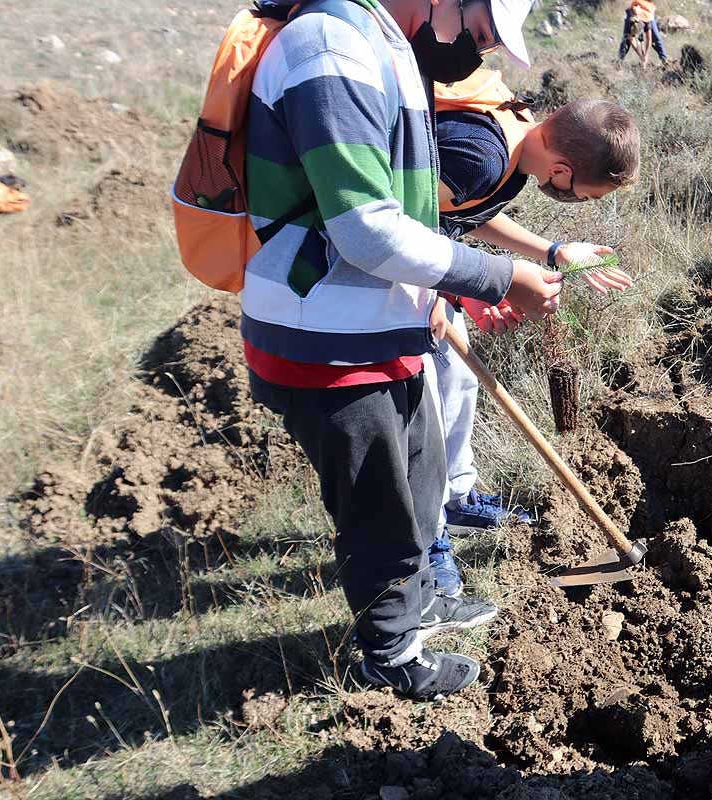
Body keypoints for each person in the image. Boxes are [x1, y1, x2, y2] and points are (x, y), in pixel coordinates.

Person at [241, 0, 562, 702]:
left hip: (382, 328)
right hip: (325, 341)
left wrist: (452, 293)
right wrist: (498, 274)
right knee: (380, 512)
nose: (465, 51)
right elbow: (365, 230)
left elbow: (409, 215)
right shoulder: (331, 46)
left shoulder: (385, 46)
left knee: (420, 486)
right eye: (471, 32)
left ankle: (420, 607)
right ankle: (392, 659)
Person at [424, 75, 639, 596]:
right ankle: (427, 544)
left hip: (428, 272)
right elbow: (403, 222)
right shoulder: (483, 155)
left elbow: (465, 214)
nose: (580, 203)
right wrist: (467, 287)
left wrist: (552, 251)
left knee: (459, 382)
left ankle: (458, 497)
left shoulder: (518, 140)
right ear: (562, 170)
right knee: (422, 413)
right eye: (583, 196)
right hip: (383, 278)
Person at [619, 0, 669, 64]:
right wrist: (640, 55)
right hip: (634, 11)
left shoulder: (648, 18)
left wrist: (646, 56)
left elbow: (649, 38)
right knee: (626, 39)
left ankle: (664, 59)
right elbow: (631, 38)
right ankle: (619, 60)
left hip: (647, 9)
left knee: (656, 37)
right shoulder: (631, 21)